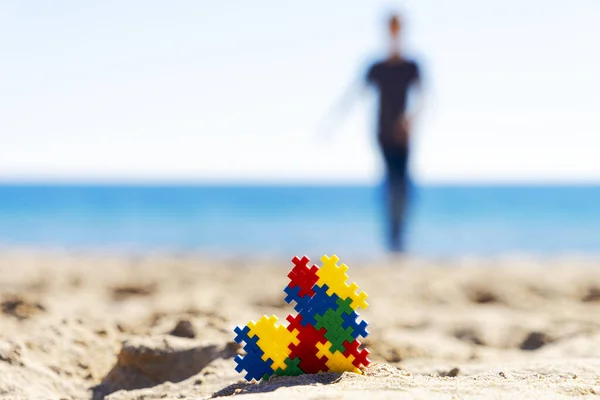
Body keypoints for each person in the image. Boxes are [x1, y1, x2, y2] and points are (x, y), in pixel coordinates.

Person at [365, 13, 423, 253]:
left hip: (404, 134)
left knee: (402, 185)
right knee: (393, 183)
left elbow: (422, 98)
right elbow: (357, 93)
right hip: (382, 132)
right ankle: (393, 239)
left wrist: (409, 120)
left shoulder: (411, 66)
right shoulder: (377, 67)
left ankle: (398, 238)